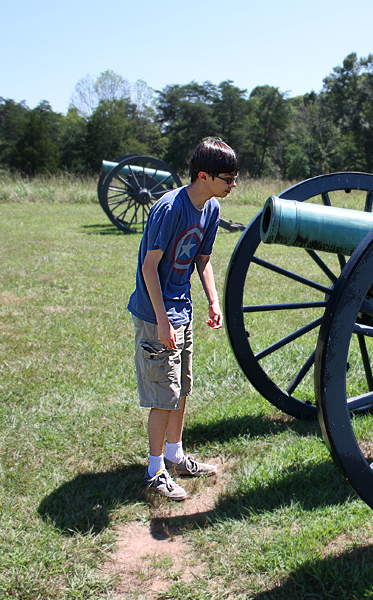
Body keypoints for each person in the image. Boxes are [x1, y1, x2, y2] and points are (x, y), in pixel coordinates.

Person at [127, 137, 238, 500]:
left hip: (181, 309)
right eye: (228, 177)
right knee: (164, 394)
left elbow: (202, 260)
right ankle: (154, 469)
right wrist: (161, 320)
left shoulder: (211, 210)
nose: (233, 183)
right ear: (203, 176)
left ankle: (175, 456)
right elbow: (148, 267)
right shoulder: (169, 208)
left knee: (181, 389)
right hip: (156, 311)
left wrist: (213, 300)